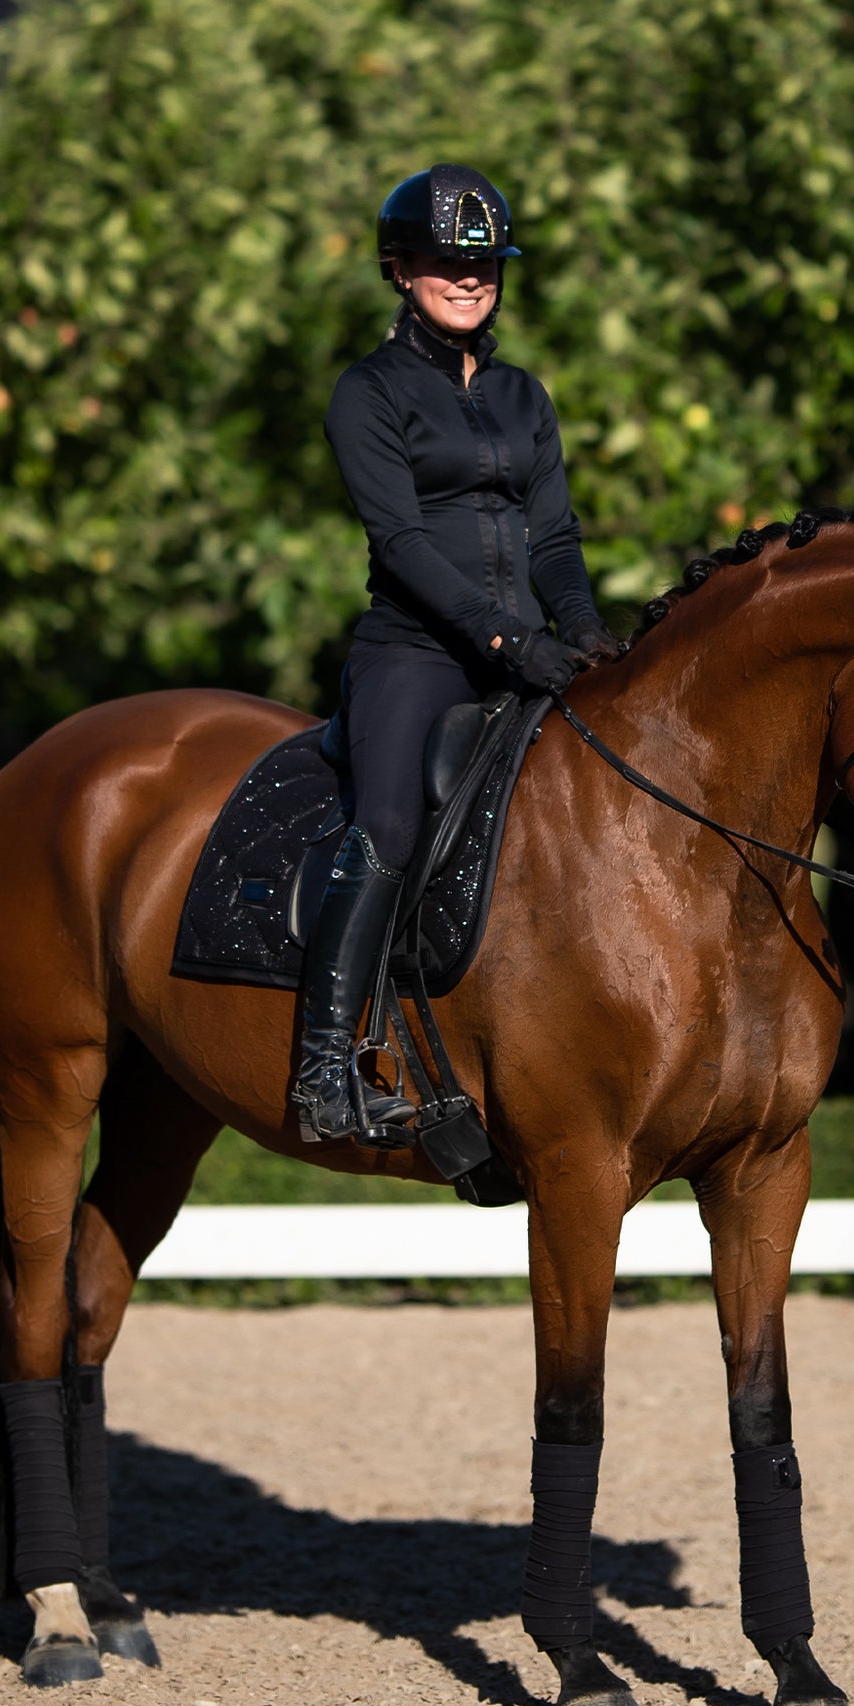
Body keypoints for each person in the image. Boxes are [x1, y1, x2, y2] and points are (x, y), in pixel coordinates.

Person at [290, 162, 618, 1143]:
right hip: (415, 654)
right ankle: (323, 1070)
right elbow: (401, 543)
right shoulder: (369, 392)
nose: (469, 278)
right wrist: (509, 638)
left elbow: (555, 538)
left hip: (530, 650)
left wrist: (583, 632)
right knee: (389, 824)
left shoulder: (525, 396)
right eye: (444, 262)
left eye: (485, 264)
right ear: (400, 270)